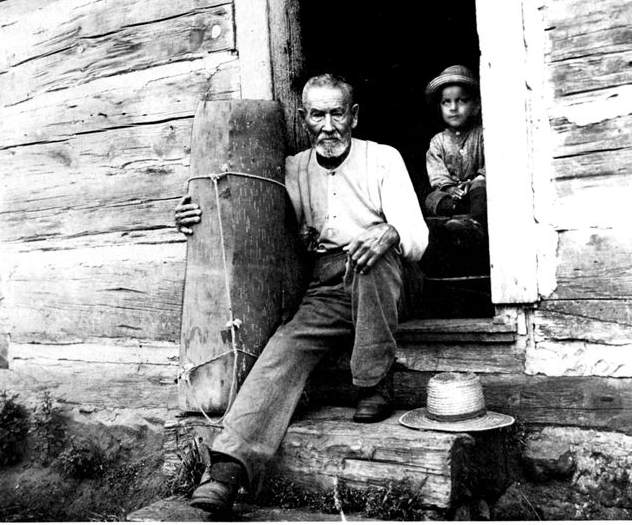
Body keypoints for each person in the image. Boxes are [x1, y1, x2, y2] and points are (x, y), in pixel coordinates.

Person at [174, 73, 428, 514]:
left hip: (392, 279)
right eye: (317, 115)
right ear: (303, 118)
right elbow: (243, 203)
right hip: (327, 287)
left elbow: (417, 238)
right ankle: (227, 470)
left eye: (337, 114)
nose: (328, 126)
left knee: (371, 255)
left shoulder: (383, 159)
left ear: (354, 116)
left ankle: (373, 382)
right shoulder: (293, 169)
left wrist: (387, 232)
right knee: (285, 348)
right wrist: (198, 211)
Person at [423, 65, 487, 245]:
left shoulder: (482, 134)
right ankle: (457, 219)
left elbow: (491, 163)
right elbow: (437, 173)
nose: (453, 107)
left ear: (476, 106)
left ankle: (474, 223)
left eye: (461, 101)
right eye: (446, 102)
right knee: (431, 199)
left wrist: (477, 180)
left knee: (481, 189)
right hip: (453, 194)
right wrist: (450, 188)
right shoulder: (438, 141)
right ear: (440, 107)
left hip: (477, 189)